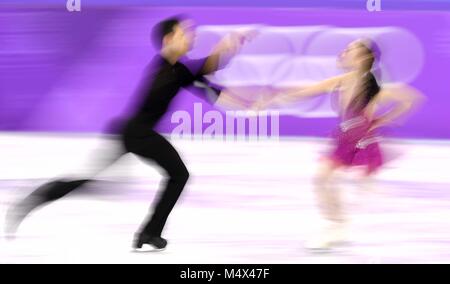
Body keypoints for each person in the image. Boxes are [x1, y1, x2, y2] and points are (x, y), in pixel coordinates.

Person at [5, 16, 251, 251]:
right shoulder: (165, 72)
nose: (191, 38)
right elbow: (207, 69)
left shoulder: (177, 70)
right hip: (138, 134)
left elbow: (209, 86)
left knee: (111, 183)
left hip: (131, 132)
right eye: (185, 33)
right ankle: (149, 232)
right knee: (177, 175)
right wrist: (227, 46)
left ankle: (149, 232)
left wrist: (245, 96)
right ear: (169, 39)